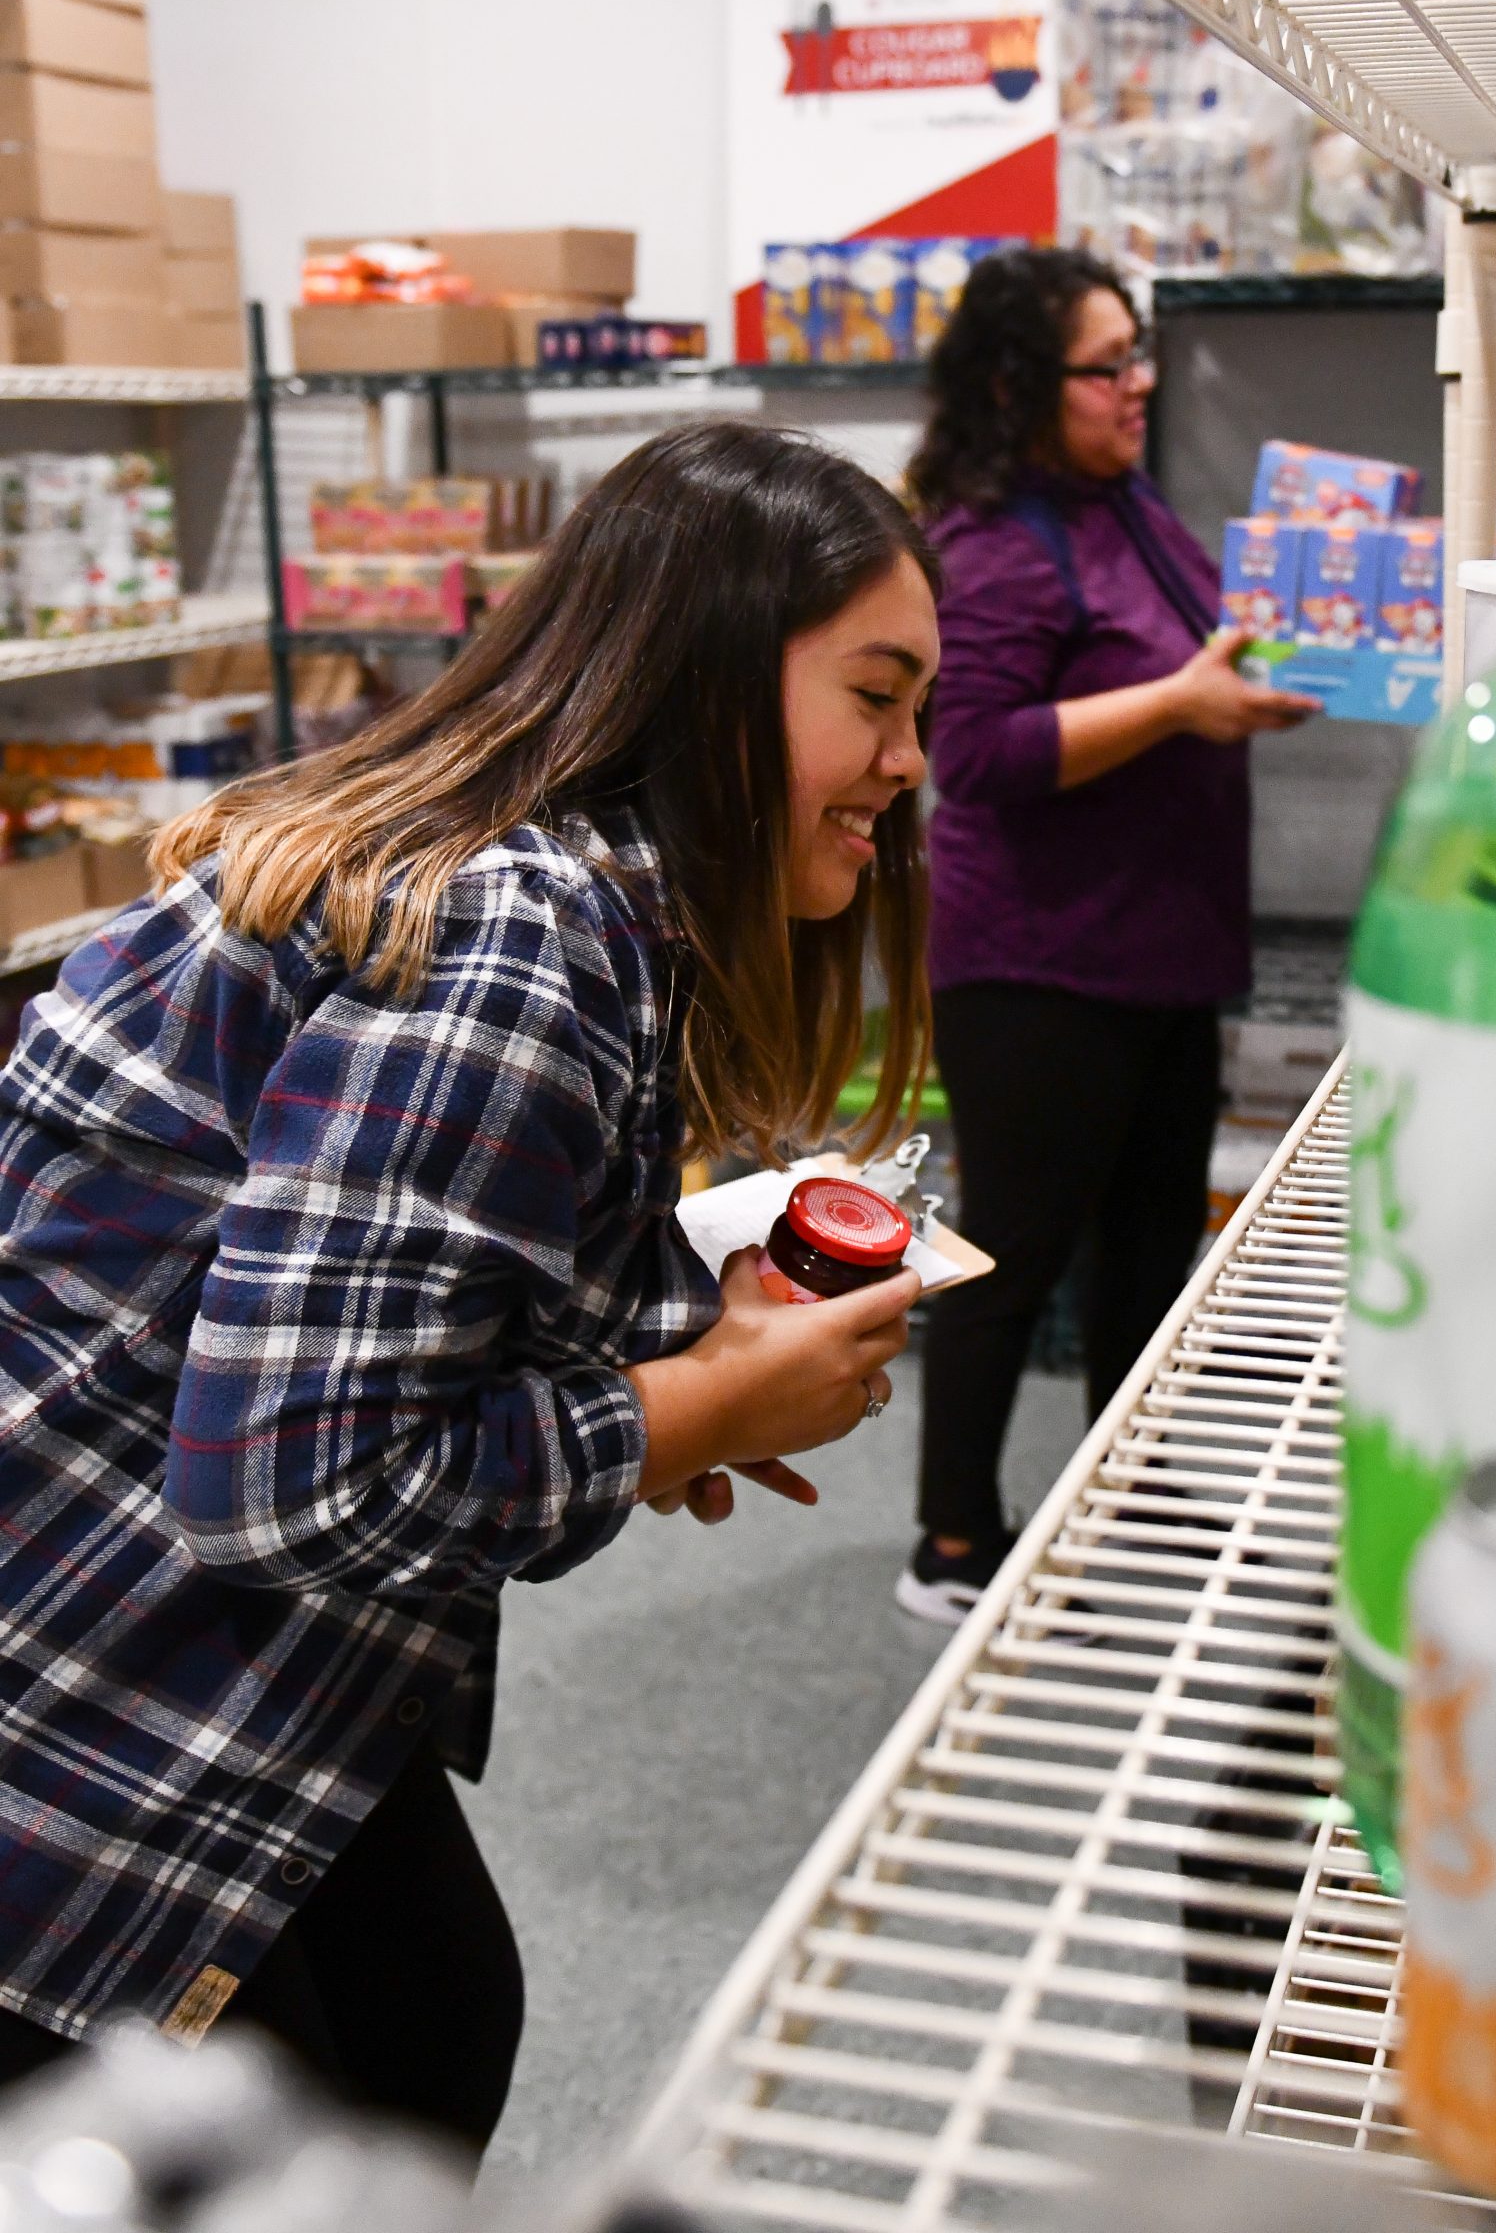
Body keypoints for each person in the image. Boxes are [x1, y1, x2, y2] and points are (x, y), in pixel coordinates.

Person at [0, 421, 937, 2155]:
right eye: (876, 699)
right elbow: (297, 1482)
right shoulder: (521, 945)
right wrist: (686, 1407)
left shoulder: (553, 897)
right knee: (327, 2111)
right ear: (711, 684)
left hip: (168, 1635)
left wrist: (684, 1349)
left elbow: (415, 1268)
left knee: (432, 2012)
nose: (906, 762)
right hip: (74, 1701)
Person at [896, 247, 1318, 1622]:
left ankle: (1125, 1498)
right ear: (1022, 384)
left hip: (1158, 946)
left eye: (1140, 355)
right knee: (1010, 1258)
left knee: (1150, 1251)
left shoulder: (1123, 506)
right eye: (1106, 364)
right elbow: (981, 753)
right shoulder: (989, 541)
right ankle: (952, 1542)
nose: (1139, 384)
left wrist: (1268, 663)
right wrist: (1181, 708)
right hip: (1039, 961)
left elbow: (1184, 658)